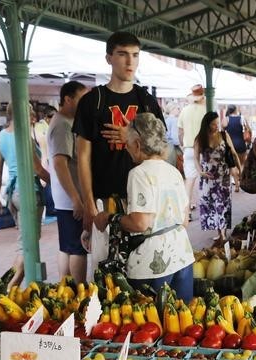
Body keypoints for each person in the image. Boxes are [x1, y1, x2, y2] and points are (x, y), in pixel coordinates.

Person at [93, 113, 194, 300]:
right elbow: (185, 220)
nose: (127, 150)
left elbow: (140, 223)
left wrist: (109, 217)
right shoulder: (173, 171)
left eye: (128, 144)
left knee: (150, 323)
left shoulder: (138, 173)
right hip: (182, 256)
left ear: (138, 144)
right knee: (182, 322)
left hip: (152, 265)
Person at [74, 31, 165, 233]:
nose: (130, 61)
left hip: (144, 199)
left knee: (143, 260)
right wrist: (88, 203)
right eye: (122, 54)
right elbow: (82, 156)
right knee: (106, 261)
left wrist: (130, 138)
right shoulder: (93, 101)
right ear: (109, 58)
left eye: (135, 55)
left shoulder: (147, 102)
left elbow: (163, 153)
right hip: (105, 199)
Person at [0, 102, 50, 287]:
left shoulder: (1, 136)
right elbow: (38, 169)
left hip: (12, 193)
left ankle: (29, 285)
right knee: (27, 245)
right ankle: (10, 288)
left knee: (27, 240)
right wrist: (57, 184)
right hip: (29, 192)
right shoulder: (25, 137)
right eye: (30, 114)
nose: (32, 117)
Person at [48, 81, 89, 283]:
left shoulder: (64, 122)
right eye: (82, 99)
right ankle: (79, 293)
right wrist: (76, 199)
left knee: (67, 246)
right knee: (78, 247)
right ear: (68, 99)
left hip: (67, 198)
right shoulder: (62, 125)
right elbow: (59, 164)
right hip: (70, 199)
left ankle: (65, 289)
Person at [194, 111, 240, 242]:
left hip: (223, 176)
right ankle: (219, 233)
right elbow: (196, 159)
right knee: (212, 206)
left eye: (217, 123)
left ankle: (223, 233)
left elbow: (234, 153)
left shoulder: (224, 135)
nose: (216, 126)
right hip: (207, 178)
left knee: (223, 205)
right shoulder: (200, 138)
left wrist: (239, 169)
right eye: (213, 124)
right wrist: (200, 172)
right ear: (207, 124)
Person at [178, 84, 206, 212]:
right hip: (204, 149)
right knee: (206, 180)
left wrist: (183, 145)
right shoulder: (207, 110)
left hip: (188, 148)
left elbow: (180, 132)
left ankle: (187, 211)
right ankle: (208, 209)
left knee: (189, 182)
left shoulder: (184, 111)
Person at [222, 104, 250, 191]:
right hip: (241, 144)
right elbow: (248, 129)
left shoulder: (226, 119)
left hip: (230, 145)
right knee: (241, 164)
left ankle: (237, 185)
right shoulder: (242, 118)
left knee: (232, 166)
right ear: (236, 110)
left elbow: (222, 132)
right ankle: (241, 180)